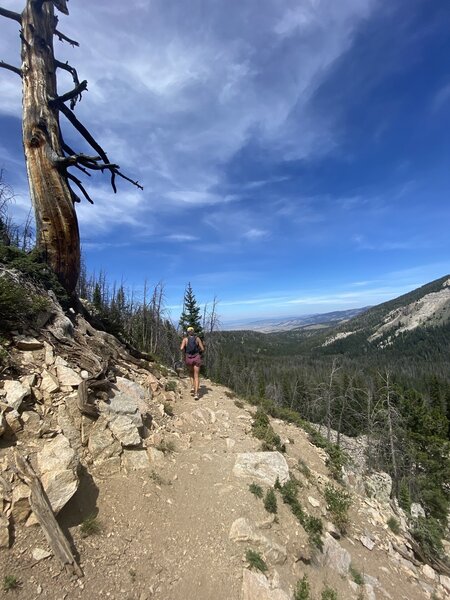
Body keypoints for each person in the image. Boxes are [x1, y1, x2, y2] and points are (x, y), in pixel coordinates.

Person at [180, 326, 205, 400]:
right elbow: (202, 349)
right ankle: (196, 394)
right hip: (196, 357)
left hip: (188, 358)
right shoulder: (197, 338)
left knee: (191, 373)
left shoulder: (185, 339)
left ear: (187, 332)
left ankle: (192, 386)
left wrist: (185, 349)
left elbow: (181, 348)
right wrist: (199, 351)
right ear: (193, 332)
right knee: (196, 375)